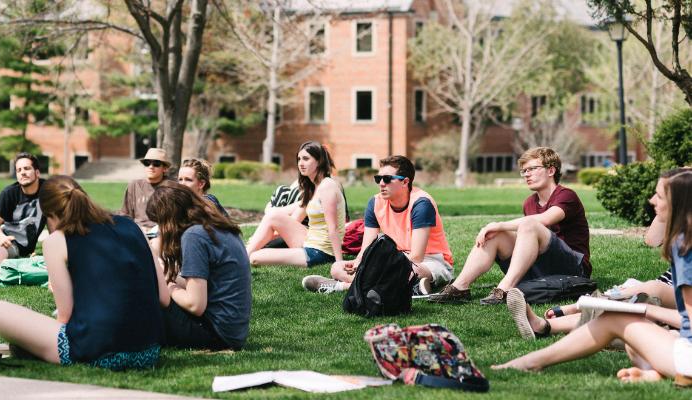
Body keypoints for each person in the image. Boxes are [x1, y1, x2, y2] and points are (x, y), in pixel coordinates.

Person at [492, 170, 692, 384]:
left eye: (659, 196)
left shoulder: (684, 247)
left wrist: (646, 310)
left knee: (616, 318)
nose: (651, 200)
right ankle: (654, 372)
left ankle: (531, 362)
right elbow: (652, 239)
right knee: (632, 342)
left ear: (678, 204)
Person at [0, 176, 166, 369]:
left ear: (49, 214)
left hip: (97, 350)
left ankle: (32, 348)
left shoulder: (57, 241)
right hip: (148, 351)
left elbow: (65, 315)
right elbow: (163, 297)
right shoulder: (132, 226)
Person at [429, 147, 591, 305]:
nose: (527, 174)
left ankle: (505, 288)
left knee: (527, 224)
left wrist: (499, 224)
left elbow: (546, 219)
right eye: (524, 171)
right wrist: (497, 229)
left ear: (551, 171)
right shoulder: (529, 202)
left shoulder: (566, 195)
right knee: (495, 235)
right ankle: (459, 287)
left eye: (532, 169)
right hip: (542, 268)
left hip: (573, 270)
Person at [302, 155, 454, 295]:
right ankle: (413, 287)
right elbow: (366, 248)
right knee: (337, 268)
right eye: (378, 178)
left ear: (405, 182)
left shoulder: (421, 204)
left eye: (387, 179)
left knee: (407, 269)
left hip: (430, 262)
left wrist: (376, 266)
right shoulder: (375, 203)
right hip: (397, 259)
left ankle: (342, 286)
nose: (381, 183)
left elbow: (416, 256)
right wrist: (358, 262)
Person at [146, 182, 251, 350]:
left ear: (170, 217)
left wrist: (168, 286)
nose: (160, 229)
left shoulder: (194, 236)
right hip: (233, 333)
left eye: (160, 222)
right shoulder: (217, 227)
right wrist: (169, 277)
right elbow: (203, 287)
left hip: (214, 334)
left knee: (149, 293)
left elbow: (195, 305)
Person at [246, 141, 345, 268]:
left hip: (320, 251)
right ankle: (243, 255)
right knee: (273, 216)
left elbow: (333, 228)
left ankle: (242, 257)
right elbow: (287, 217)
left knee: (255, 257)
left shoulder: (327, 187)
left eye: (306, 159)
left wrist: (339, 262)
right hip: (309, 239)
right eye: (299, 159)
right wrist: (263, 235)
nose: (300, 163)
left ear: (319, 161)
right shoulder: (313, 188)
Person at [0, 152, 48, 258]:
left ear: (37, 172)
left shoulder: (48, 192)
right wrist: (1, 237)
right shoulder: (9, 192)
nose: (22, 173)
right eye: (19, 170)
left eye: (27, 168)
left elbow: (53, 221)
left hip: (18, 244)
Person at [119, 148, 170, 233]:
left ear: (165, 168)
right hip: (138, 231)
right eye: (147, 163)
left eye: (156, 164)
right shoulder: (134, 185)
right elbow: (125, 214)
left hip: (162, 232)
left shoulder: (170, 187)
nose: (151, 167)